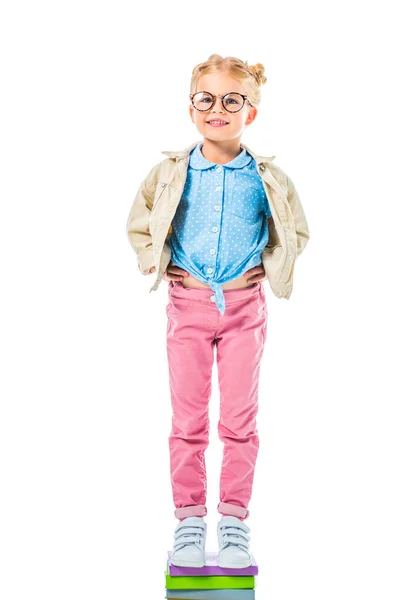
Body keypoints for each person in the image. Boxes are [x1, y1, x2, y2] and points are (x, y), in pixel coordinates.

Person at [126, 54, 310, 569]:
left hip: (245, 308)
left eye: (233, 100)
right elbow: (141, 222)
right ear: (192, 108)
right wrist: (158, 264)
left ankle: (233, 521)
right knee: (187, 420)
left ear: (250, 112)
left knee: (238, 421)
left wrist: (270, 268)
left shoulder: (267, 177)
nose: (218, 109)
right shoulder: (170, 172)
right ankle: (188, 521)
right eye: (206, 99)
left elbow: (294, 231)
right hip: (187, 307)